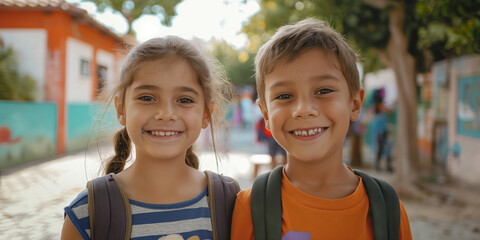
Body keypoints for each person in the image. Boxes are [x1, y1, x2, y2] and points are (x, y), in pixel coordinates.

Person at [231, 18, 412, 239]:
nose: (304, 110)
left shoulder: (388, 211)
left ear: (355, 103)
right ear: (266, 114)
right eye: (284, 96)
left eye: (324, 91)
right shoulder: (250, 208)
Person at [61, 36, 237, 240]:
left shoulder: (230, 203)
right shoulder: (88, 213)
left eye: (185, 100)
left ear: (206, 114)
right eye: (147, 98)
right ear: (121, 109)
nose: (165, 113)